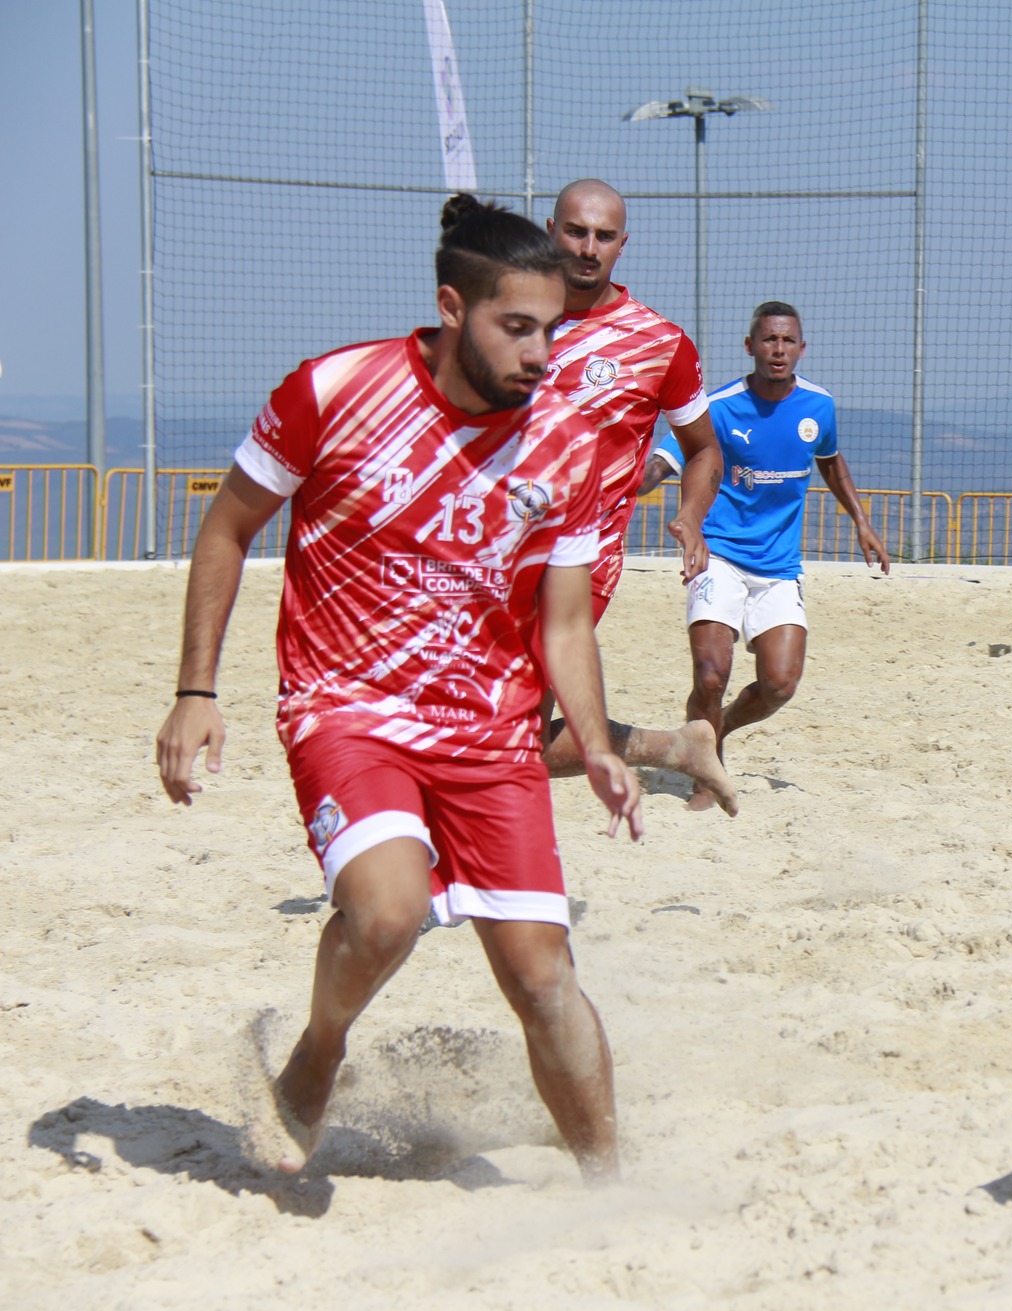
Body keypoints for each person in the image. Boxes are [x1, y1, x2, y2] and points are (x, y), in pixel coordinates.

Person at [153, 194, 646, 1183]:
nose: (540, 354)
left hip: (489, 731)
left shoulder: (566, 442)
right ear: (451, 308)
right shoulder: (334, 389)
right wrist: (195, 689)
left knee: (543, 976)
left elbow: (562, 621)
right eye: (517, 327)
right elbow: (228, 526)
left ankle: (610, 1184)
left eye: (552, 330)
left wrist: (592, 744)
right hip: (347, 709)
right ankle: (318, 1051)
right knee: (388, 912)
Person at [537, 177, 736, 814]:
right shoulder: (504, 319)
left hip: (577, 564)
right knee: (507, 739)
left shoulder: (660, 343)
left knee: (499, 733)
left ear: (623, 244)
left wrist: (692, 515)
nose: (588, 247)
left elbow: (705, 448)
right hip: (485, 552)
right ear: (552, 232)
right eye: (576, 231)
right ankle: (671, 746)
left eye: (603, 235)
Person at [646, 301, 889, 809]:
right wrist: (617, 489)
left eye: (788, 341)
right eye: (769, 340)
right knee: (711, 673)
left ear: (802, 348)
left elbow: (831, 462)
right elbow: (665, 462)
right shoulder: (720, 405)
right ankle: (705, 776)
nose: (778, 350)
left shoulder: (818, 406)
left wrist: (863, 523)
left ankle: (717, 734)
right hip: (720, 556)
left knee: (780, 684)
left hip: (779, 567)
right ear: (750, 346)